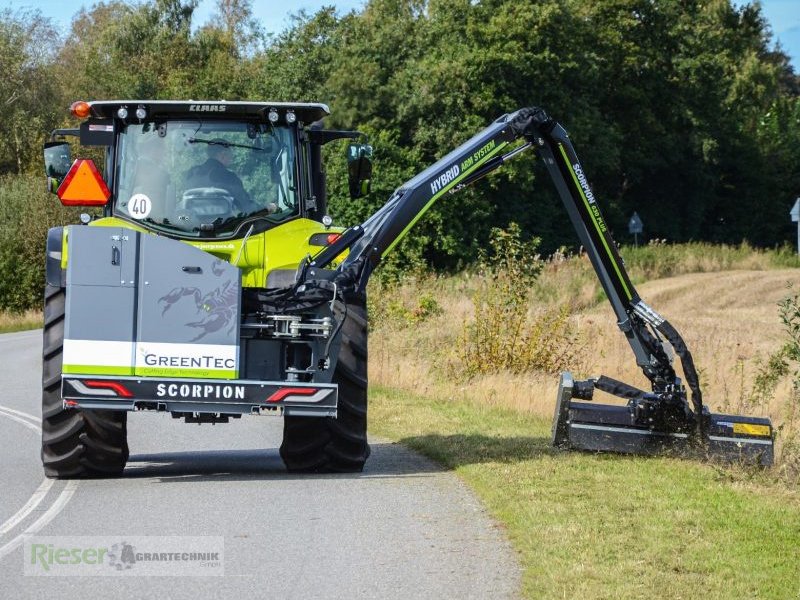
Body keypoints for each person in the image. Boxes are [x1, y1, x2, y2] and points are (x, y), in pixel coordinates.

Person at [184, 139, 252, 210]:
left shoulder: (192, 173)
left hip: (191, 219)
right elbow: (245, 204)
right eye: (230, 153)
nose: (231, 157)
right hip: (224, 220)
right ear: (222, 155)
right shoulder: (229, 177)